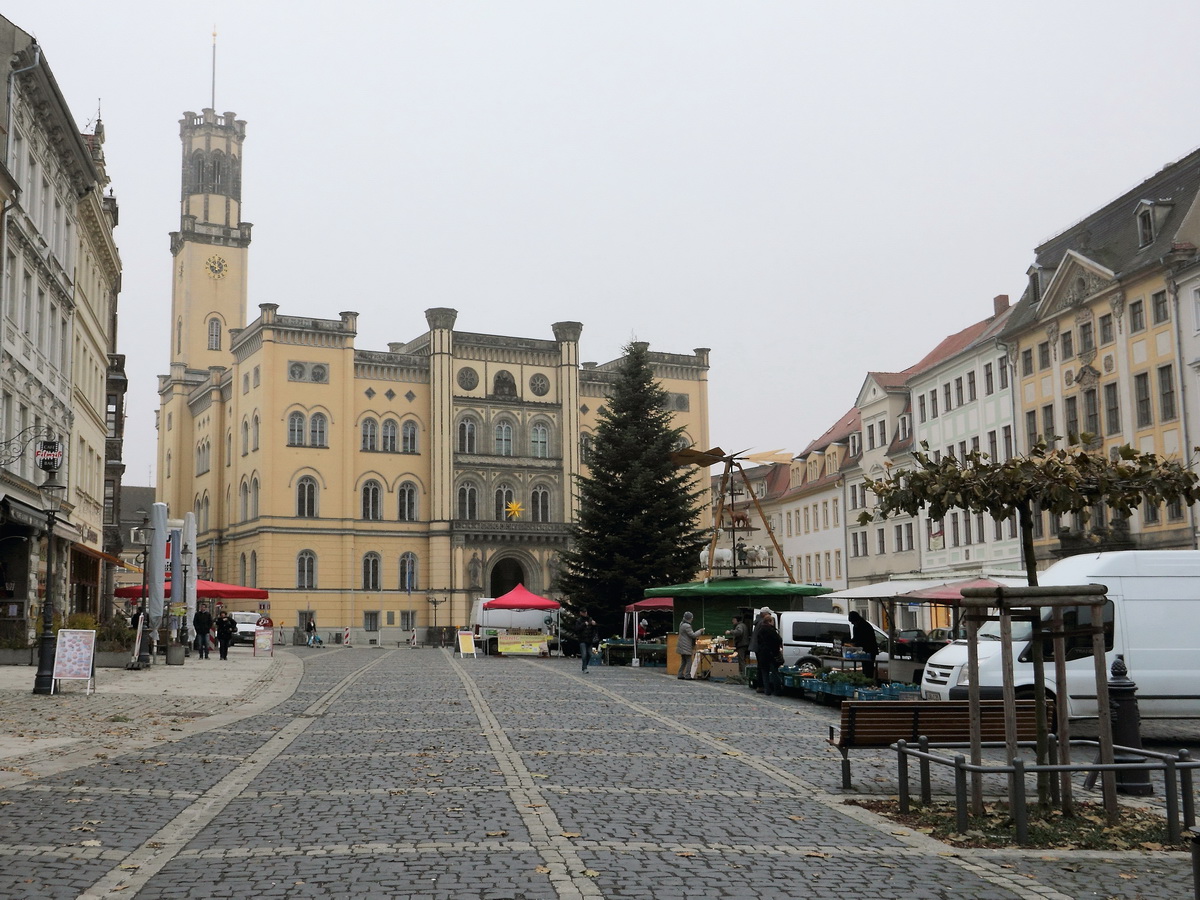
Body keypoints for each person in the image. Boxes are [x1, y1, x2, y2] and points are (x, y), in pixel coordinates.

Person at [847, 610, 880, 682]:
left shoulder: (866, 626)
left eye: (853, 621)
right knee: (865, 668)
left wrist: (855, 643)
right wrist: (850, 643)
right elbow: (856, 638)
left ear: (857, 619)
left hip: (870, 650)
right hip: (863, 651)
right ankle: (865, 681)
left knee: (869, 669)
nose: (852, 623)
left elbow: (866, 639)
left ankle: (869, 682)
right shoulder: (856, 626)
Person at [756, 612, 784, 696]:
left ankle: (767, 690)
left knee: (765, 673)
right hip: (772, 654)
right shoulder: (771, 630)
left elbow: (759, 642)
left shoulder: (760, 630)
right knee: (774, 672)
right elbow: (778, 640)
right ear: (769, 621)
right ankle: (777, 691)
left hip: (763, 655)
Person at [748, 607, 773, 692]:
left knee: (760, 666)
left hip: (757, 647)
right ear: (764, 614)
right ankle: (761, 686)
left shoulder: (758, 621)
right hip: (760, 648)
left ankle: (760, 685)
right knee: (762, 667)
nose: (770, 615)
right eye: (768, 613)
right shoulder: (762, 623)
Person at [677, 611, 704, 679]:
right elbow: (693, 635)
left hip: (682, 645)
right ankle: (687, 675)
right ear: (689, 618)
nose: (692, 619)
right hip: (686, 645)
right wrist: (700, 631)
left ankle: (680, 674)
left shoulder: (682, 624)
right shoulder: (687, 626)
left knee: (683, 661)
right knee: (689, 661)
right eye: (691, 618)